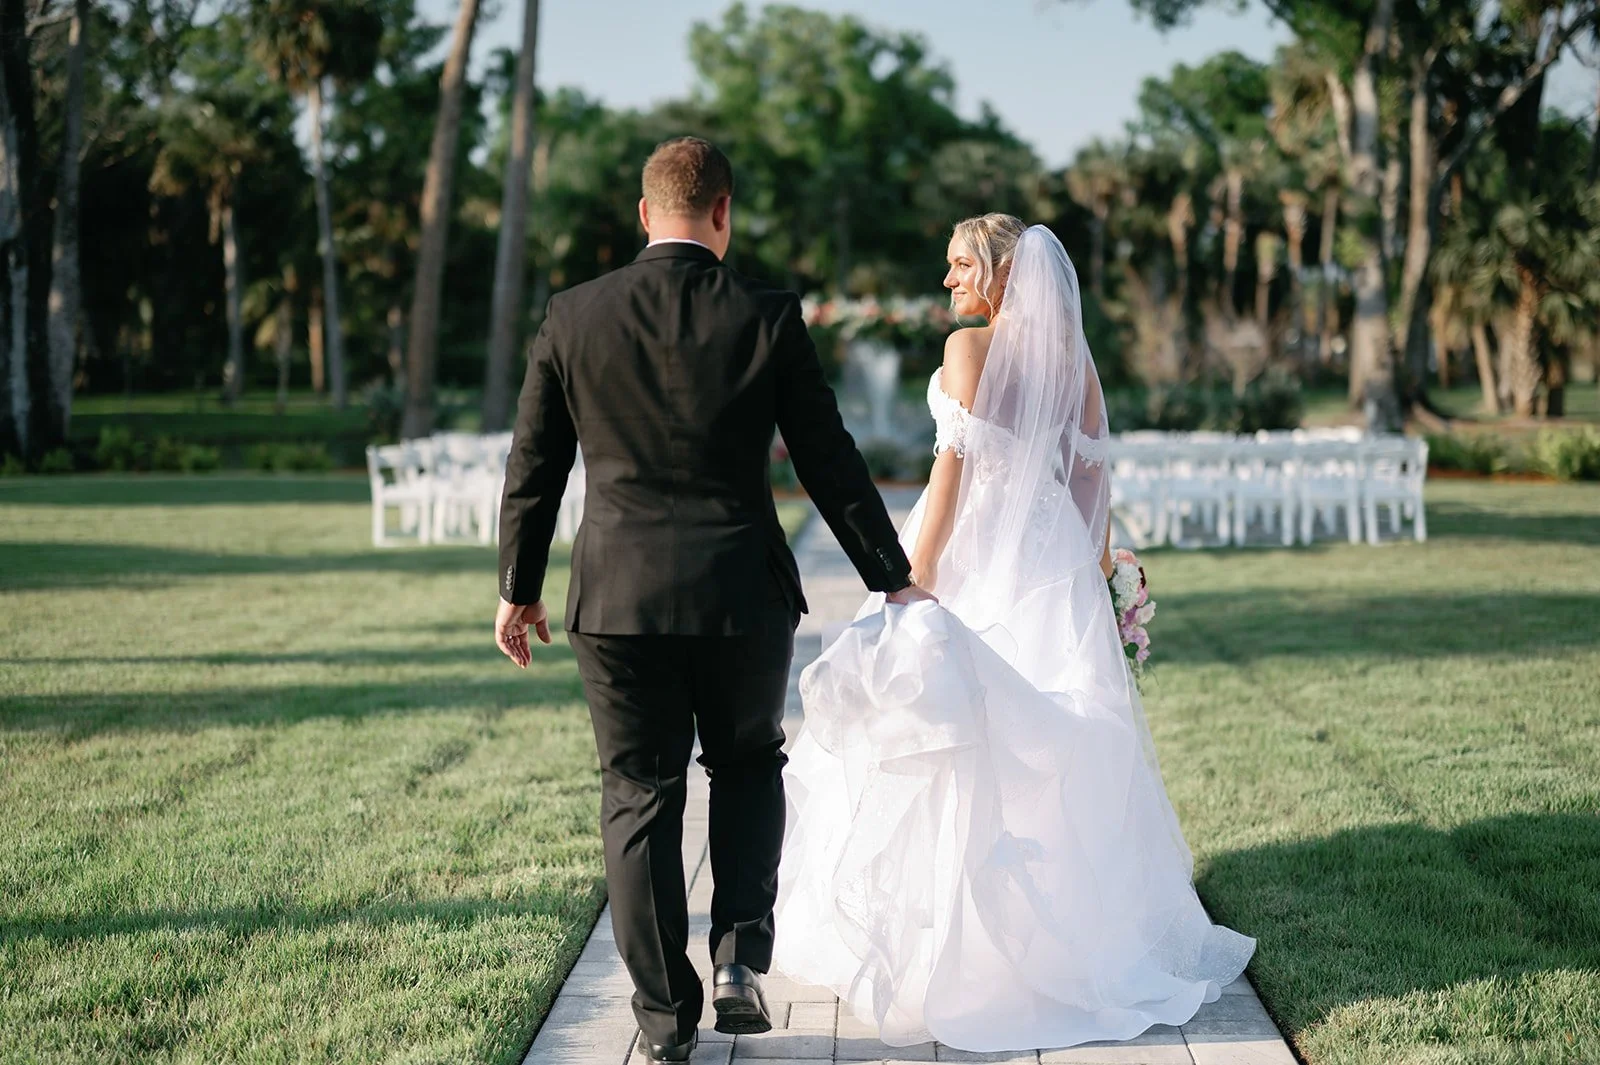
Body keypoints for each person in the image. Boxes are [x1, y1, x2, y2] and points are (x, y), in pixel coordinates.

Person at [492, 137, 934, 1065]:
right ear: (724, 214)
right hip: (741, 594)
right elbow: (827, 455)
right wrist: (890, 573)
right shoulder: (768, 314)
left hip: (616, 601)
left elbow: (534, 465)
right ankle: (740, 955)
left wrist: (517, 589)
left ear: (645, 216)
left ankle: (662, 1024)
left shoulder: (574, 314)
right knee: (744, 764)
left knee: (639, 794)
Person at [771, 214, 1256, 1053]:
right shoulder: (1079, 366)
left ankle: (952, 960)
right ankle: (1058, 938)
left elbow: (948, 481)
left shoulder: (968, 349)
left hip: (971, 556)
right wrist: (1100, 579)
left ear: (1000, 273)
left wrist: (906, 582)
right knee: (1052, 751)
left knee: (955, 733)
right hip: (1054, 569)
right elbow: (1092, 490)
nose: (950, 281)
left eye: (961, 265)